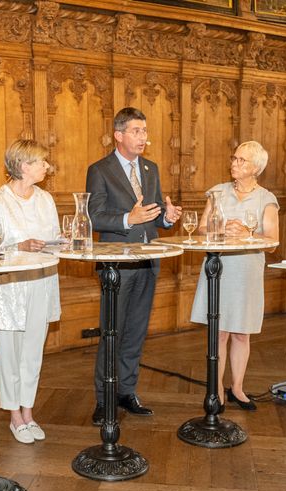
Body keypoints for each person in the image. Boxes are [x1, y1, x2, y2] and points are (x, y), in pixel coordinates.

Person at [86, 107, 182, 425]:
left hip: (148, 261)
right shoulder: (100, 170)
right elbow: (94, 216)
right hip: (117, 264)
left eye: (145, 131)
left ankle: (126, 392)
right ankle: (104, 399)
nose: (144, 137)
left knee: (136, 332)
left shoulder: (151, 169)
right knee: (112, 331)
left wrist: (167, 218)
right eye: (137, 131)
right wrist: (129, 218)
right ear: (119, 134)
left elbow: (154, 215)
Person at [0, 140, 61, 444]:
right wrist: (19, 246)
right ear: (24, 166)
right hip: (9, 287)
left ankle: (29, 412)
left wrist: (61, 242)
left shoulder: (45, 199)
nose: (46, 167)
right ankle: (14, 416)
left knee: (33, 352)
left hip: (40, 282)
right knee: (10, 354)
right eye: (41, 162)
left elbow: (53, 238)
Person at [190, 140, 280, 411]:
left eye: (242, 160)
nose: (234, 164)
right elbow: (202, 229)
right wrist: (219, 227)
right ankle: (217, 389)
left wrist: (248, 234)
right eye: (234, 158)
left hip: (247, 271)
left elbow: (273, 241)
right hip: (218, 269)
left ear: (256, 168)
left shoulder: (267, 199)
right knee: (219, 333)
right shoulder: (217, 193)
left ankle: (238, 388)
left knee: (242, 333)